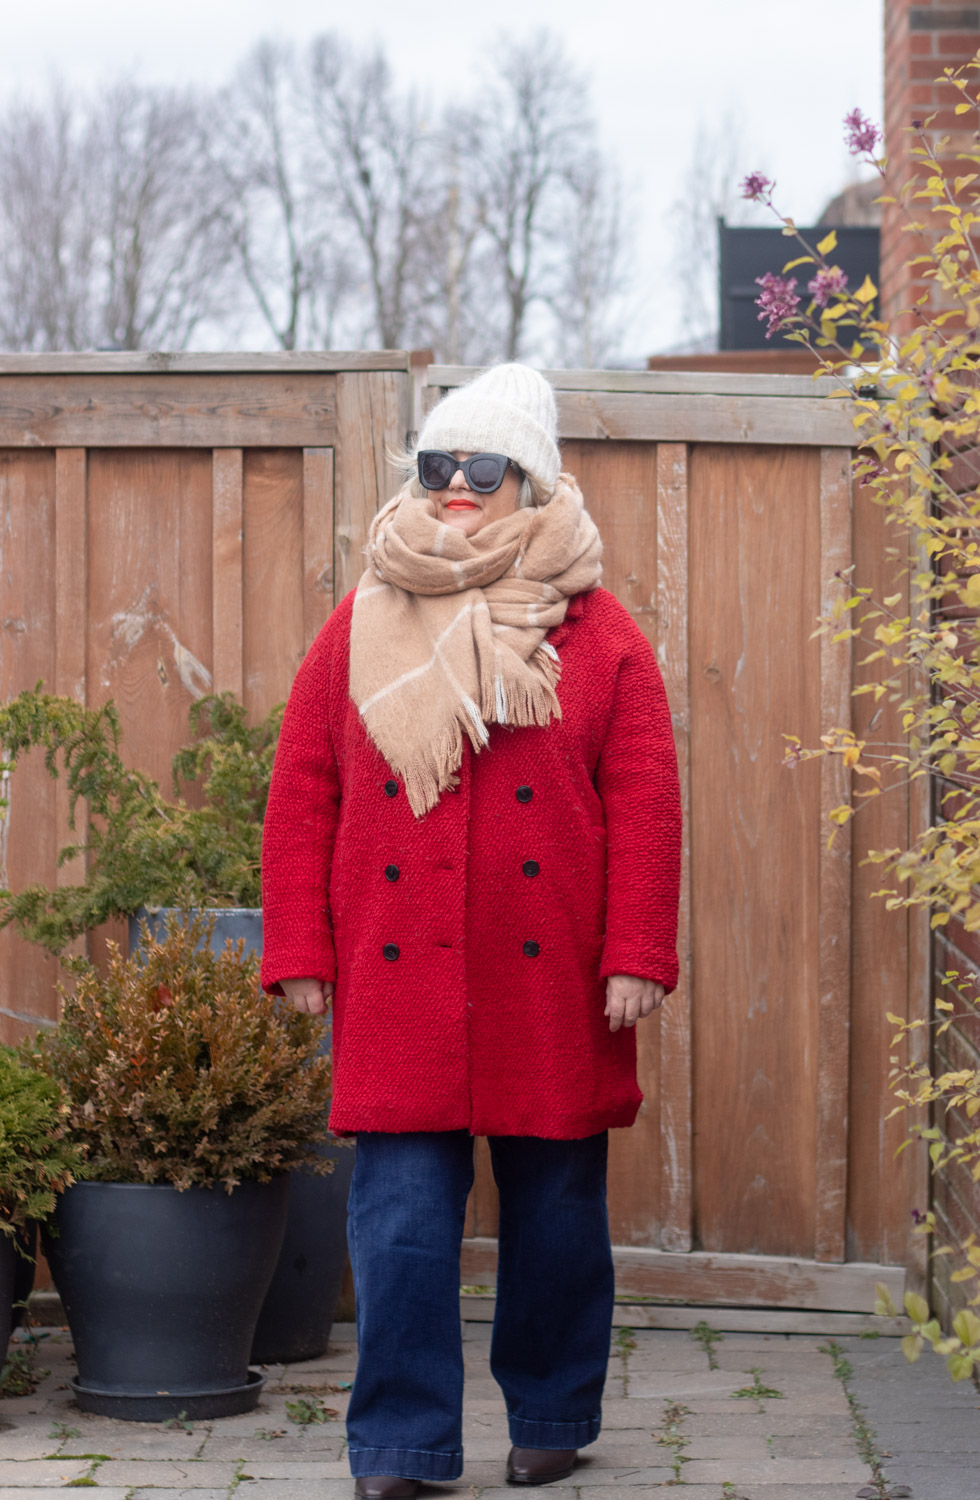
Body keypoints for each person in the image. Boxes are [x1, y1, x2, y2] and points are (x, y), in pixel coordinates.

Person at [260, 362, 682, 1499]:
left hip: (547, 981)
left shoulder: (599, 638)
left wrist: (638, 951)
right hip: (399, 980)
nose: (453, 485)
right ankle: (400, 1445)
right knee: (395, 1229)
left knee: (555, 1222)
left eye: (480, 468)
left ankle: (550, 1412)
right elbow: (304, 786)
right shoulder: (362, 618)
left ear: (529, 484)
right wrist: (298, 947)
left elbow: (643, 796)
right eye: (436, 465)